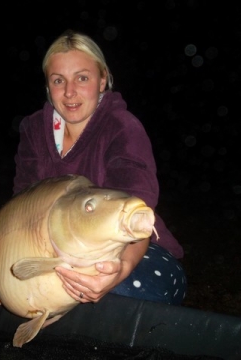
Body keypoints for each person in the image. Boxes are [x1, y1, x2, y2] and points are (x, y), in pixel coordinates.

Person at [13, 29, 186, 306]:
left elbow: (136, 212)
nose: (70, 92)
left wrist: (121, 271)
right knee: (13, 285)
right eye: (59, 80)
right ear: (48, 87)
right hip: (53, 252)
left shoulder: (123, 128)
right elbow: (21, 209)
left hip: (137, 250)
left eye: (82, 78)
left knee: (137, 291)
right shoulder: (33, 130)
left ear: (102, 80)